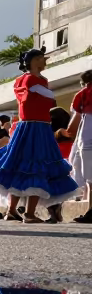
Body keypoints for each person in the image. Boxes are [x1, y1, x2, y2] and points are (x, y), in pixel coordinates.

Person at [0, 46, 79, 223]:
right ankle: (29, 213)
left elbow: (45, 98)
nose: (44, 61)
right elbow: (40, 98)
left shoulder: (38, 80)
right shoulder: (27, 80)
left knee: (21, 166)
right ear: (32, 61)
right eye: (41, 58)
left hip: (36, 127)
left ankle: (12, 210)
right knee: (35, 165)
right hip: (33, 128)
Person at [65, 70, 92, 223]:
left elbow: (73, 125)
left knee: (90, 179)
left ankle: (91, 211)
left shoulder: (82, 94)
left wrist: (67, 132)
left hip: (88, 138)